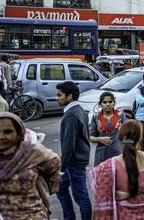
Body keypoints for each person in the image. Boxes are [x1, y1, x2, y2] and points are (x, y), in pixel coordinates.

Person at [0, 112, 61, 219]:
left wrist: (44, 188)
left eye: (8, 132)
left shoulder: (32, 153)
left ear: (19, 133)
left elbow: (54, 166)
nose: (1, 137)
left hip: (32, 214)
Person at [90, 120, 144, 219]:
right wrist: (142, 189)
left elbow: (104, 196)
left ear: (120, 138)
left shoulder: (108, 166)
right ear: (140, 138)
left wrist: (125, 194)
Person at [56, 81, 92, 220]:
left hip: (74, 162)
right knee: (60, 189)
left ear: (69, 96)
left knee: (81, 197)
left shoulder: (71, 114)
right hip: (76, 160)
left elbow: (68, 144)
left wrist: (62, 166)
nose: (57, 98)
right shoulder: (79, 110)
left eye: (59, 95)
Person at [89, 92, 127, 166]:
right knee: (101, 175)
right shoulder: (96, 117)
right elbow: (90, 137)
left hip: (117, 152)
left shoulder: (120, 114)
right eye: (104, 102)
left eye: (110, 102)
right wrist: (100, 139)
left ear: (114, 103)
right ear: (100, 104)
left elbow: (127, 132)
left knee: (117, 174)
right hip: (101, 153)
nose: (107, 104)